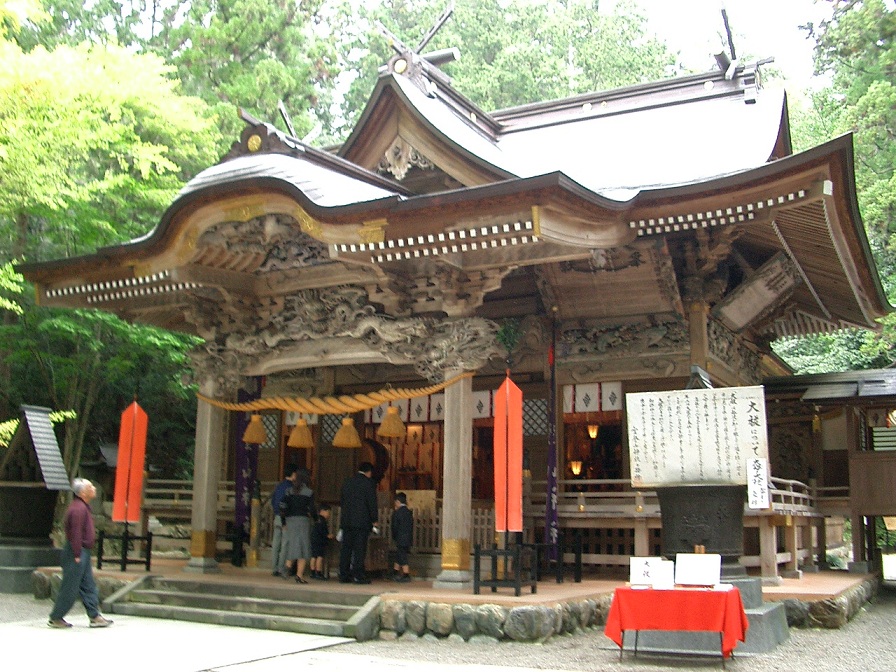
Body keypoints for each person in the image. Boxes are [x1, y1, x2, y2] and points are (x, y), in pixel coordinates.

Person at [48, 478, 113, 628]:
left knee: (88, 585)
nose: (94, 489)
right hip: (76, 552)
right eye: (91, 487)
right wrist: (77, 554)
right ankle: (56, 617)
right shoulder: (78, 509)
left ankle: (94, 615)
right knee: (70, 587)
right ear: (83, 492)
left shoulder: (82, 507)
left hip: (82, 551)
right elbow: (75, 533)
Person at [338, 461, 378, 584]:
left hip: (347, 520)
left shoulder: (347, 482)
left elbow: (342, 501)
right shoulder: (369, 483)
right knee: (360, 549)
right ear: (369, 472)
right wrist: (374, 520)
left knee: (346, 548)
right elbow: (372, 503)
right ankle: (358, 575)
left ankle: (343, 574)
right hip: (362, 521)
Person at [280, 468, 314, 584]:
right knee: (304, 547)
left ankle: (287, 565)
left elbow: (282, 506)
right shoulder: (309, 492)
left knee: (293, 543)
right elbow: (312, 509)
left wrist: (283, 522)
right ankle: (299, 575)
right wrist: (316, 519)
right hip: (303, 520)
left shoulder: (289, 491)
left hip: (290, 521)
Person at [270, 464, 298, 576]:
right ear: (293, 474)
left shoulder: (279, 486)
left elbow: (273, 500)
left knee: (276, 543)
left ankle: (274, 568)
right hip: (286, 518)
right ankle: (281, 568)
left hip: (277, 516)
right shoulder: (291, 487)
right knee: (285, 544)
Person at [390, 492, 413, 582]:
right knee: (399, 554)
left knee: (402, 555)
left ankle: (406, 574)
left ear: (398, 502)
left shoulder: (397, 513)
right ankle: (395, 571)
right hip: (408, 537)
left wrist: (394, 536)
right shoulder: (408, 512)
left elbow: (394, 526)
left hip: (400, 537)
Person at [310, 503, 332, 580]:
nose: (329, 515)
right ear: (322, 511)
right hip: (320, 541)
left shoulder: (316, 519)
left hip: (314, 540)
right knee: (319, 557)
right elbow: (323, 531)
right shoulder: (322, 521)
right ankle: (318, 572)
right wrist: (328, 535)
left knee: (313, 556)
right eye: (328, 512)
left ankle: (312, 572)